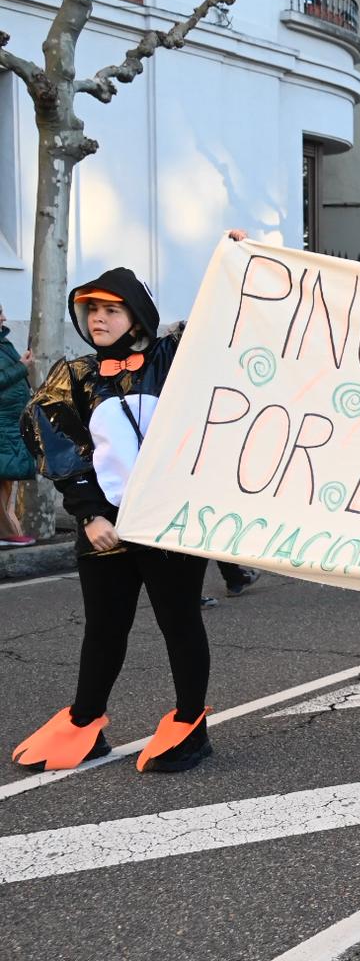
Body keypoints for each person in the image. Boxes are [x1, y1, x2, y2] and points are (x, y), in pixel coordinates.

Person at [12, 268, 213, 773]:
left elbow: (227, 320)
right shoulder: (75, 375)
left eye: (112, 310)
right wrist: (89, 514)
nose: (98, 319)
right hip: (105, 527)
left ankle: (190, 726)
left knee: (180, 623)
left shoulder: (173, 359)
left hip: (170, 523)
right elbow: (50, 434)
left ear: (136, 316)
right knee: (103, 628)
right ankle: (84, 723)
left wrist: (233, 255)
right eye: (92, 311)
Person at [0, 304, 37, 545]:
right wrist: (21, 367)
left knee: (5, 478)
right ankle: (6, 534)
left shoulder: (4, 343)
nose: (4, 316)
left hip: (10, 420)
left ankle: (7, 532)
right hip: (3, 421)